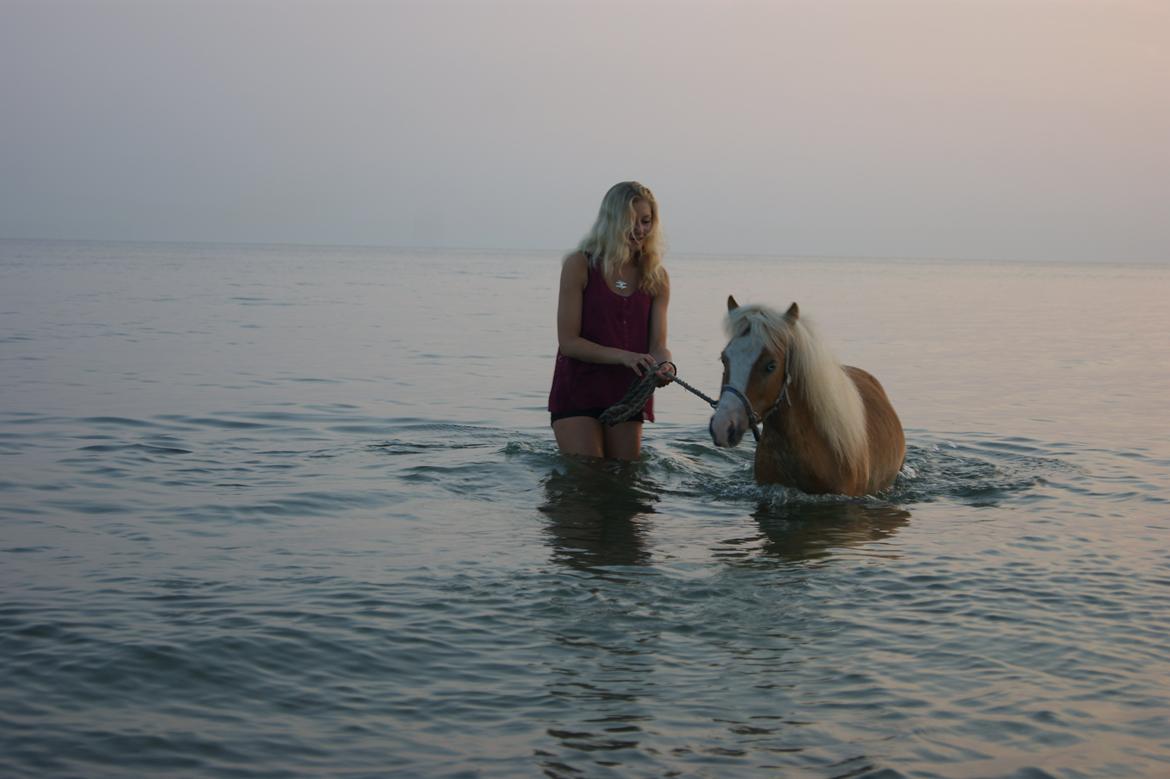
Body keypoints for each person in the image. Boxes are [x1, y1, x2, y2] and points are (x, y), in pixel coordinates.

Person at [548, 181, 674, 460]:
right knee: (588, 481)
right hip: (578, 390)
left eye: (646, 221)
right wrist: (624, 357)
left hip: (629, 395)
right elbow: (568, 342)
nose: (640, 230)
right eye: (631, 221)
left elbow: (658, 344)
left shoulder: (657, 277)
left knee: (624, 484)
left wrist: (666, 365)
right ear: (611, 221)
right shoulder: (579, 265)